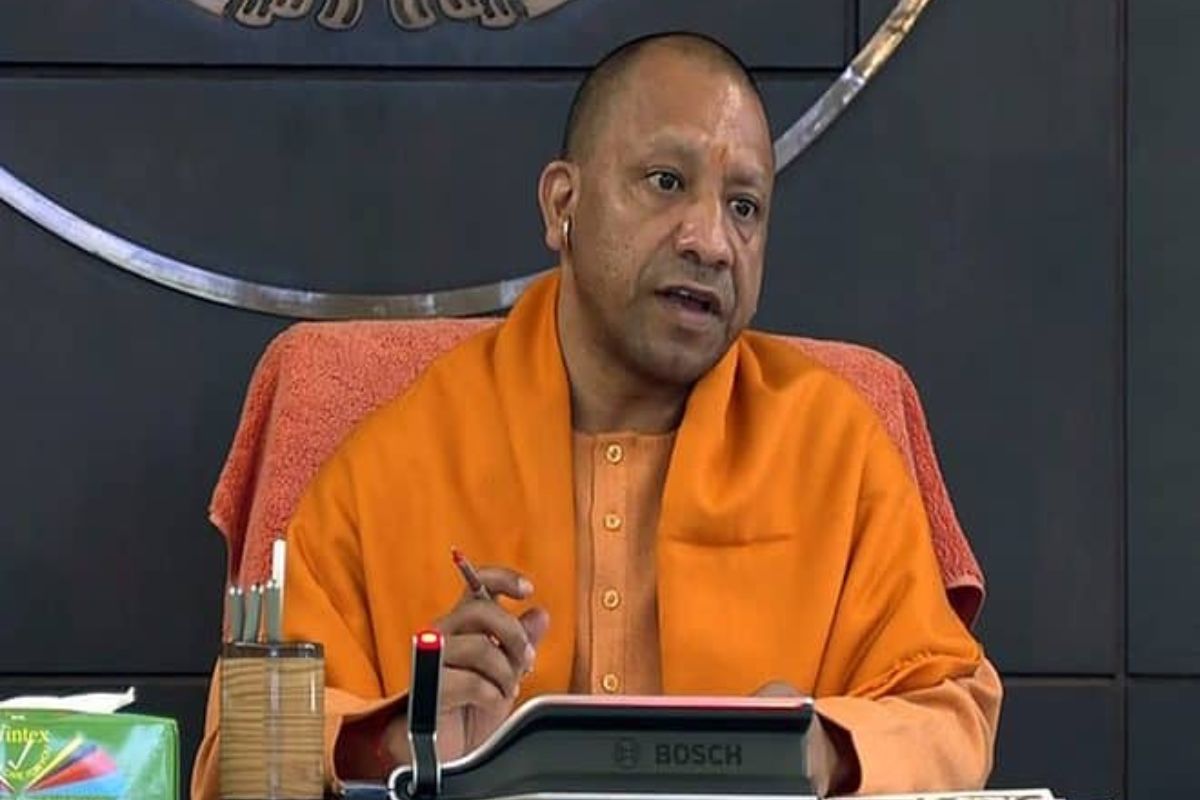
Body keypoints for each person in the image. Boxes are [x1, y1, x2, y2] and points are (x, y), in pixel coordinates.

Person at [193, 31, 1001, 799]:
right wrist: (406, 738)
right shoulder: (401, 458)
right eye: (667, 182)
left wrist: (818, 749)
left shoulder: (832, 449)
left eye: (745, 206)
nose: (712, 241)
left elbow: (949, 708)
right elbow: (242, 746)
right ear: (563, 205)